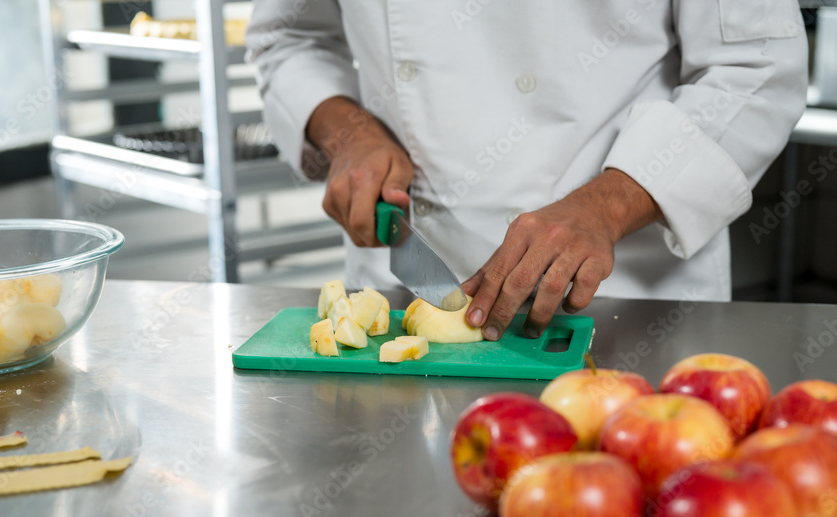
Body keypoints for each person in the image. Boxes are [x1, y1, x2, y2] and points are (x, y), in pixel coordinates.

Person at [246, 1, 808, 340]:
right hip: (402, 300)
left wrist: (607, 205)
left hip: (627, 307)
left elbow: (757, 65)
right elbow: (290, 37)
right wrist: (347, 132)